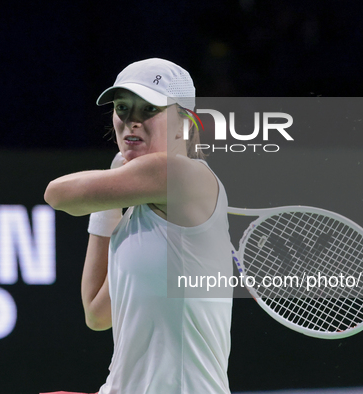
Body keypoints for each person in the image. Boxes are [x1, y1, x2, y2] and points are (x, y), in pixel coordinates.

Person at [43, 58, 233, 394]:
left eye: (149, 109)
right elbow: (97, 314)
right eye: (122, 108)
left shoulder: (181, 175)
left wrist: (113, 181)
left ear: (184, 124)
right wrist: (111, 200)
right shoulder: (137, 217)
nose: (132, 121)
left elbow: (58, 195)